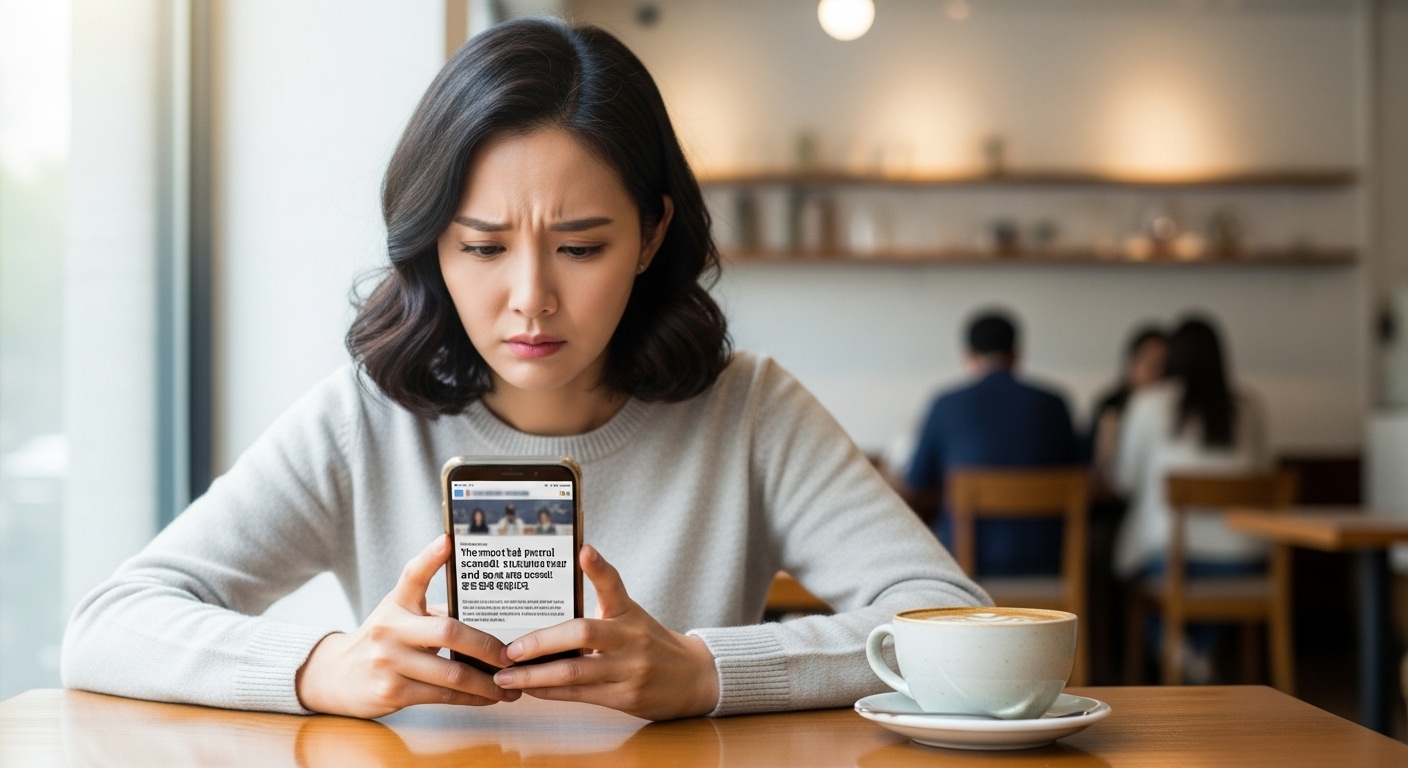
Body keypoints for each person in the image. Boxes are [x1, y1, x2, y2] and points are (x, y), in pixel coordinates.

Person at [61, 19, 985, 723]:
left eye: (580, 248)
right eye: (483, 247)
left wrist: (707, 672)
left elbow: (949, 621)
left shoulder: (748, 409)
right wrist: (321, 667)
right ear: (432, 245)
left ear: (651, 235)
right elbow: (109, 623)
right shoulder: (364, 421)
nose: (531, 300)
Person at [905, 310, 1080, 576]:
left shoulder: (946, 405)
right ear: (1017, 354)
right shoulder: (1055, 404)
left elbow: (916, 481)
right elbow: (1081, 472)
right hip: (1047, 558)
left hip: (967, 561)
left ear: (969, 356)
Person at [1112, 316, 1269, 580]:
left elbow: (1125, 482)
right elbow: (1263, 475)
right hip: (1245, 554)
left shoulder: (1148, 404)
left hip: (1174, 557)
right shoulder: (1251, 408)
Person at [1087, 326, 1168, 489]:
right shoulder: (1110, 405)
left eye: (1160, 364)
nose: (1152, 371)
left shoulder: (1171, 410)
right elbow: (1094, 468)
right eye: (1147, 361)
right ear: (1131, 362)